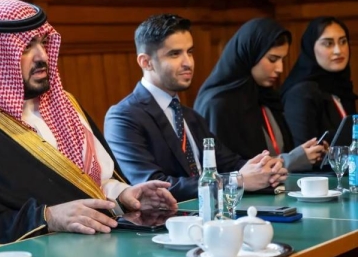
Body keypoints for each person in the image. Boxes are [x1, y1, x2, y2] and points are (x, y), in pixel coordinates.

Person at [0, 0, 178, 257]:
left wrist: (124, 196)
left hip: (94, 256)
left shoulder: (63, 103)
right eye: (27, 47)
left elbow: (89, 183)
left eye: (43, 42)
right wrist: (47, 217)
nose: (42, 56)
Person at [104, 14, 287, 201]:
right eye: (175, 54)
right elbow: (152, 186)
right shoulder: (123, 117)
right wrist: (235, 180)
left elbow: (229, 162)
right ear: (146, 62)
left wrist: (265, 168)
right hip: (167, 225)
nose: (188, 62)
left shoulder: (190, 115)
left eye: (189, 52)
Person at [194, 18, 325, 173]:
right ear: (250, 55)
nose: (280, 68)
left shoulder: (265, 96)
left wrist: (304, 155)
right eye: (272, 59)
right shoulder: (218, 104)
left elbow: (278, 150)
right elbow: (227, 170)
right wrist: (290, 160)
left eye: (282, 59)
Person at [281, 16, 357, 147]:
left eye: (343, 41)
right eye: (328, 43)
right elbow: (305, 154)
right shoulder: (302, 93)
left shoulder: (342, 87)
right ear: (311, 48)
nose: (338, 50)